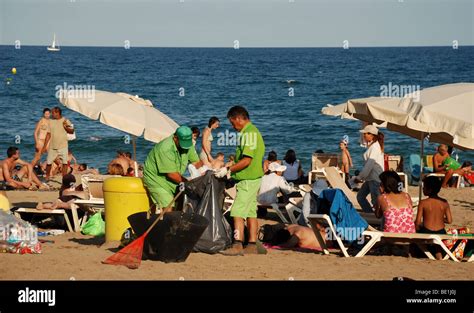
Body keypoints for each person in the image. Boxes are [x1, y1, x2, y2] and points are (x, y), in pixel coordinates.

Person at [215, 106, 265, 256]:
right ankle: (251, 244)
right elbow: (244, 159)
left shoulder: (249, 134)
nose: (232, 127)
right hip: (254, 178)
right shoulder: (253, 131)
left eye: (232, 123)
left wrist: (228, 170)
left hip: (248, 179)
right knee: (250, 212)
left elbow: (247, 160)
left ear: (238, 118)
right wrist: (230, 164)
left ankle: (237, 245)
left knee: (237, 211)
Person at [144, 126, 203, 211]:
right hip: (156, 178)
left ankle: (174, 221)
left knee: (182, 202)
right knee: (168, 205)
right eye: (183, 143)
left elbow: (197, 162)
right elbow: (171, 174)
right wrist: (189, 183)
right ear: (175, 138)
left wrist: (203, 171)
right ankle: (167, 223)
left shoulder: (187, 143)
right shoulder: (165, 148)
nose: (185, 147)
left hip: (174, 178)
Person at [415, 176, 452, 260]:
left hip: (426, 231)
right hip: (441, 232)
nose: (423, 189)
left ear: (430, 190)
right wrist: (440, 219)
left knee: (417, 229)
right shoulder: (444, 202)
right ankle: (438, 253)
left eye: (424, 188)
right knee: (437, 238)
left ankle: (423, 251)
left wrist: (417, 226)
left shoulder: (423, 203)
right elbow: (450, 221)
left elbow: (417, 222)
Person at [354, 125, 385, 213]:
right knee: (360, 196)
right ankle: (370, 214)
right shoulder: (372, 145)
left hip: (375, 179)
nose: (364, 135)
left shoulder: (375, 147)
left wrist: (359, 178)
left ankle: (378, 220)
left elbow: (369, 165)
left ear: (372, 135)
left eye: (365, 134)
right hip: (370, 178)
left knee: (376, 202)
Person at [43, 107, 75, 178]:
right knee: (48, 163)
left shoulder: (65, 120)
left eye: (53, 113)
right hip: (52, 147)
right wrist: (44, 147)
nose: (52, 114)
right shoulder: (51, 121)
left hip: (63, 146)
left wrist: (65, 127)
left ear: (58, 113)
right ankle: (47, 176)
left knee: (65, 163)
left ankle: (64, 177)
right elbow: (48, 134)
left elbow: (72, 131)